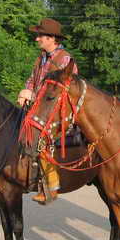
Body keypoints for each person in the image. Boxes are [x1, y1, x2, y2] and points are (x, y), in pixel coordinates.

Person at [18, 18, 77, 204]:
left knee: (41, 138)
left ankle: (51, 186)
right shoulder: (41, 58)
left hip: (56, 111)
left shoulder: (65, 59)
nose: (37, 39)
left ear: (51, 38)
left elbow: (65, 91)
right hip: (39, 108)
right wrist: (25, 91)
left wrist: (34, 95)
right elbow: (32, 80)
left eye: (40, 36)